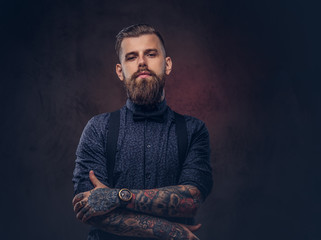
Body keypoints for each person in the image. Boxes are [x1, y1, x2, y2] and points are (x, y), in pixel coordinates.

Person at [72, 24, 213, 240]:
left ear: (167, 65)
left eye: (150, 53)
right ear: (120, 71)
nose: (141, 62)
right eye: (131, 56)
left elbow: (190, 201)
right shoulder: (98, 129)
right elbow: (88, 209)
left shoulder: (194, 130)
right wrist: (172, 231)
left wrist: (116, 196)